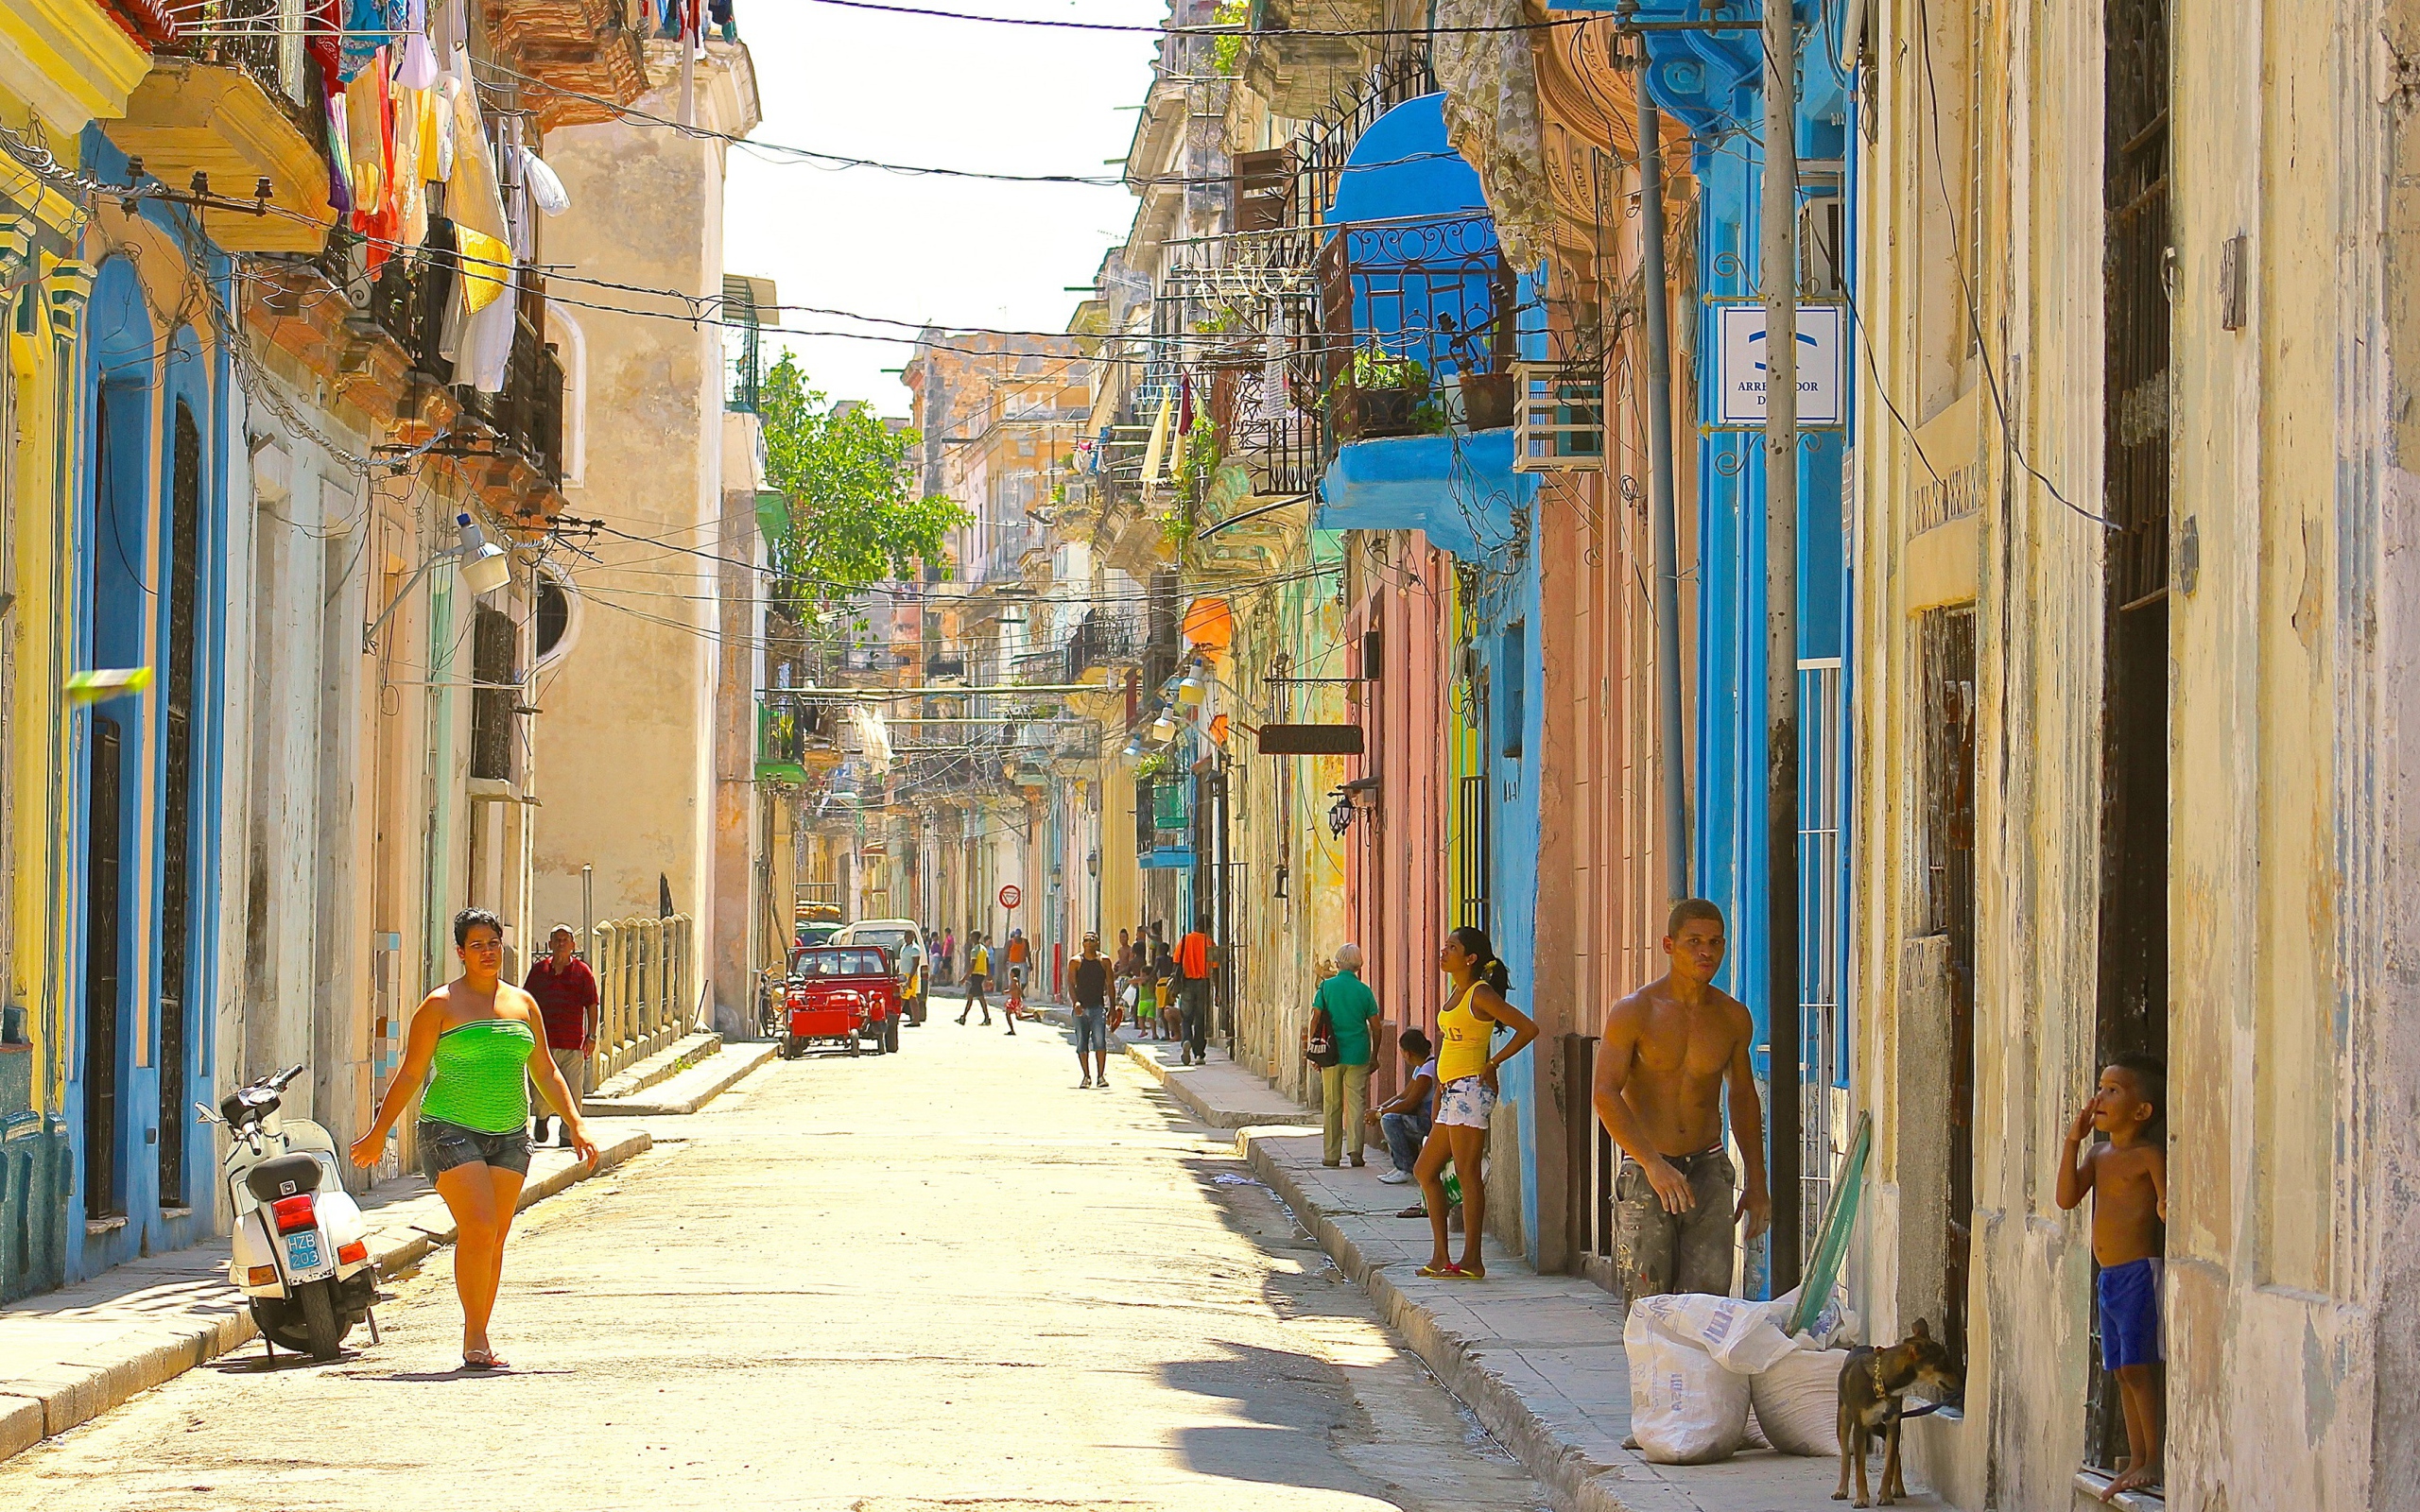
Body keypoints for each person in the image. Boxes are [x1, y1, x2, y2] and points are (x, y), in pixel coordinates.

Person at [351, 908, 595, 1370]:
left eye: (494, 943)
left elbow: (544, 1069)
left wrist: (576, 1123)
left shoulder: (523, 1004)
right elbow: (410, 1074)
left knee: (495, 1237)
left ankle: (479, 1331)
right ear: (461, 953)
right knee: (480, 1227)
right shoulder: (440, 1005)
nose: (487, 952)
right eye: (477, 945)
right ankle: (475, 1336)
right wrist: (379, 1132)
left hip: (509, 1135)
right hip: (449, 1130)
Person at [1592, 898, 1771, 1308]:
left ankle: (1696, 1376)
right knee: (1647, 1303)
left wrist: (1757, 1181)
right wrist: (1654, 1165)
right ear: (1669, 945)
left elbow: (1742, 1098)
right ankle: (1652, 1375)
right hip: (1647, 1167)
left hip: (1707, 1168)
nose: (1706, 952)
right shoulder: (1635, 1011)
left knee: (1707, 1305)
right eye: (1694, 941)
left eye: (1715, 942)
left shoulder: (1732, 1017)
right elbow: (1604, 1093)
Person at [2057, 1057, 2169, 1500]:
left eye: (2114, 1090)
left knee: (2140, 1367)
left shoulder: (2148, 1155)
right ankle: (2136, 1456)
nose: (2099, 1098)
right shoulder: (2099, 1154)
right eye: (2100, 1088)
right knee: (2122, 1371)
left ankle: (2151, 1458)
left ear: (2141, 1111)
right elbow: (2066, 1198)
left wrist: (2166, 1208)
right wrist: (2072, 1141)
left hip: (2140, 1272)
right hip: (2110, 1278)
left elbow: (2166, 1203)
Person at [1412, 926, 1538, 1280]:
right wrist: (1438, 1087)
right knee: (1425, 1170)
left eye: (1451, 947)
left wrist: (1493, 1063)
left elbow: (1528, 1028)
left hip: (1471, 1089)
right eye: (1444, 945)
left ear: (1470, 958)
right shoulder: (1457, 991)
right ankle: (1440, 1256)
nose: (1444, 952)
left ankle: (1471, 1260)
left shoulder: (1480, 994)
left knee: (1467, 1174)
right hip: (1452, 1089)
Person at [523, 924, 597, 1148]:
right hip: (543, 1043)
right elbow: (526, 1001)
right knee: (540, 1088)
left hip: (573, 1042)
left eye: (566, 940)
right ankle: (542, 1117)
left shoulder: (582, 972)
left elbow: (592, 1004)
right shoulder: (539, 971)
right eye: (557, 940)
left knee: (573, 1090)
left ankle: (567, 1133)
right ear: (549, 944)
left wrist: (592, 1035)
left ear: (573, 946)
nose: (561, 944)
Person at [1309, 943, 1380, 1168]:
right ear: (1359, 966)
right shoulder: (1364, 991)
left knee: (1332, 1103)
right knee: (1357, 1103)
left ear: (1338, 963)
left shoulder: (1326, 987)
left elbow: (1316, 1018)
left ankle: (1331, 1155)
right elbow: (1376, 1027)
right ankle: (1356, 1152)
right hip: (1358, 1053)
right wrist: (1374, 1054)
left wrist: (1314, 1051)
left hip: (1331, 1053)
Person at [1367, 1027, 1437, 1190]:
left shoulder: (1428, 1069)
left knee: (1390, 1120)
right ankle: (1401, 1166)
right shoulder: (1422, 1067)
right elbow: (1403, 1095)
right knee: (1389, 1116)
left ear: (1408, 1053)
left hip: (1429, 1121)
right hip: (1423, 1118)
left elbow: (1410, 1102)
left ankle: (1405, 1168)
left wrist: (1379, 1113)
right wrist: (1379, 1107)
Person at [1070, 933, 1113, 1089]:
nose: (1088, 943)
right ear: (1082, 944)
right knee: (1082, 1043)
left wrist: (1112, 1008)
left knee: (1100, 1041)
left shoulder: (1104, 961)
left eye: (1092, 940)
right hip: (1081, 1009)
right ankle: (1086, 1076)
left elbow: (1110, 985)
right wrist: (1075, 1003)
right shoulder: (1075, 962)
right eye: (1086, 941)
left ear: (1097, 943)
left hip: (1097, 1008)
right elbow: (1071, 984)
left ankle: (1101, 1076)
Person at [1175, 913, 1217, 1066]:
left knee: (1186, 1017)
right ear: (1207, 928)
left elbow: (1176, 961)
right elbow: (1215, 969)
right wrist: (1217, 991)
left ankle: (1186, 1040)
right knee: (1200, 1018)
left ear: (1197, 925)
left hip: (1187, 982)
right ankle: (1199, 1053)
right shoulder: (1210, 943)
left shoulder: (1185, 940)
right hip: (1203, 983)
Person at [959, 933, 993, 1025]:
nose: (970, 938)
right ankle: (963, 1017)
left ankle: (986, 1018)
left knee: (980, 998)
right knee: (971, 997)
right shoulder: (983, 949)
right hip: (981, 974)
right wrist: (988, 976)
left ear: (974, 938)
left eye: (971, 936)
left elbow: (972, 965)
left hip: (976, 975)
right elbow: (987, 963)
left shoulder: (974, 950)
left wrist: (964, 978)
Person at [1005, 927, 1030, 991]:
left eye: (1019, 935)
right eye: (1016, 936)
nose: (1017, 937)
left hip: (1022, 962)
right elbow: (1006, 953)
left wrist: (1030, 963)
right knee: (1012, 979)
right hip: (1012, 963)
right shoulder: (1010, 942)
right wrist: (1004, 963)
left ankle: (1020, 991)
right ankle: (1015, 993)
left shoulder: (1025, 942)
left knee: (1024, 979)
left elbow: (1028, 953)